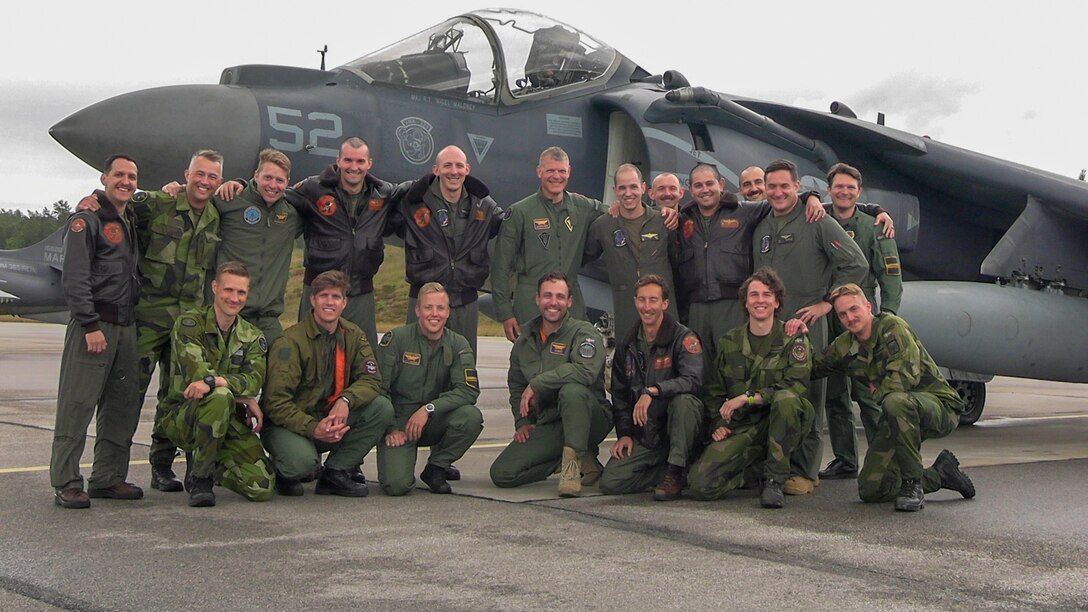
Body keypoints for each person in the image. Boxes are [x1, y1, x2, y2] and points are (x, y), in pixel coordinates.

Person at [78, 150, 224, 493]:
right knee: (126, 395)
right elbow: (117, 205)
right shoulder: (158, 203)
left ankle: (162, 466)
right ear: (186, 173)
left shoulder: (217, 215)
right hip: (147, 317)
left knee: (179, 396)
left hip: (188, 323)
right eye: (199, 174)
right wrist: (91, 200)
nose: (204, 182)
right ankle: (108, 475)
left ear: (218, 182)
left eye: (212, 177)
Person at [751, 158, 869, 496]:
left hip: (806, 322)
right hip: (771, 323)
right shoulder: (761, 224)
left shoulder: (816, 220)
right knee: (775, 393)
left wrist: (827, 303)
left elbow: (855, 262)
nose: (777, 192)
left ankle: (805, 471)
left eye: (784, 186)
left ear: (797, 187)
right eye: (771, 186)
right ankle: (776, 466)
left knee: (809, 396)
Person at [810, 283, 975, 511]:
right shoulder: (845, 345)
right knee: (872, 489)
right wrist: (795, 343)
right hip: (896, 414)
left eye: (854, 309)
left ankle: (912, 484)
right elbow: (814, 368)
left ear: (868, 307)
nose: (850, 317)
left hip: (937, 407)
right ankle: (942, 474)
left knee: (895, 401)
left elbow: (902, 379)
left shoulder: (892, 328)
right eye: (842, 314)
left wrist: (880, 392)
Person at [50, 154, 144, 509]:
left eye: (132, 176)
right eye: (119, 174)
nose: (126, 181)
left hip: (125, 326)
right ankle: (66, 481)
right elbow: (74, 278)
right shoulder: (86, 220)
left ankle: (107, 477)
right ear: (104, 178)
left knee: (120, 406)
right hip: (95, 326)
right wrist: (89, 324)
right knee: (77, 404)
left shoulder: (130, 218)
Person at [687, 268, 813, 509]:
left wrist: (748, 398)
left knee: (786, 399)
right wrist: (719, 424)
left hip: (783, 421)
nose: (760, 300)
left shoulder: (793, 339)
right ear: (745, 302)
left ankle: (774, 481)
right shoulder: (729, 342)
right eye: (754, 295)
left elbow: (797, 386)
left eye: (767, 294)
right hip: (744, 427)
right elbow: (714, 391)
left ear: (777, 302)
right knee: (700, 484)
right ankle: (752, 473)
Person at [261, 270, 392, 497]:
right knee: (301, 465)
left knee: (381, 407)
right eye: (323, 296)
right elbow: (276, 403)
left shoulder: (353, 335)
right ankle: (283, 469)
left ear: (344, 303)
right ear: (313, 300)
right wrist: (313, 428)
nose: (329, 302)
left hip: (328, 418)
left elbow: (371, 379)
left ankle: (335, 472)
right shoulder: (290, 342)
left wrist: (346, 400)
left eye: (336, 297)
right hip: (290, 425)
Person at [157, 262, 274, 507]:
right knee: (219, 396)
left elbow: (253, 381)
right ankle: (200, 478)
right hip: (183, 416)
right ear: (214, 287)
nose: (234, 298)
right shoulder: (190, 324)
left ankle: (215, 460)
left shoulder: (252, 336)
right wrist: (234, 391)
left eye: (241, 292)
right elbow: (198, 375)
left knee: (260, 487)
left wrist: (222, 382)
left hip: (227, 418)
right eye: (228, 290)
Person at [490, 272, 612, 497]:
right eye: (547, 296)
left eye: (559, 296)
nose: (553, 302)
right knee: (503, 474)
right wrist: (523, 422)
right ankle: (571, 458)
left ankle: (572, 468)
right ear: (537, 299)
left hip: (590, 417)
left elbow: (585, 372)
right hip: (551, 421)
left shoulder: (583, 333)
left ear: (569, 301)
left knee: (572, 390)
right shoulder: (525, 338)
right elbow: (516, 385)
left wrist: (538, 384)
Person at [818, 163, 904, 481]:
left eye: (850, 188)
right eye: (838, 187)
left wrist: (889, 317)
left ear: (859, 191)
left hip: (860, 315)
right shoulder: (817, 220)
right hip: (826, 313)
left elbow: (891, 277)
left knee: (869, 392)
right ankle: (845, 459)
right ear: (829, 190)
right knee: (834, 392)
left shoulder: (875, 225)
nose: (844, 192)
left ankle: (883, 459)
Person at [288, 137, 410, 346]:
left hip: (360, 293)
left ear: (369, 164)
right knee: (309, 353)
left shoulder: (383, 193)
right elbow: (274, 193)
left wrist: (444, 175)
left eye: (360, 161)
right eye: (348, 161)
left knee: (362, 356)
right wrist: (243, 184)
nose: (354, 167)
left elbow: (414, 189)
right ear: (338, 161)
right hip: (318, 290)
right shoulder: (313, 188)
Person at [599, 274, 704, 501]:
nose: (647, 307)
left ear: (665, 304)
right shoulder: (627, 345)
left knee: (684, 402)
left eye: (653, 300)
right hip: (648, 436)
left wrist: (654, 390)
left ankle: (676, 468)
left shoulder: (683, 338)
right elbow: (620, 395)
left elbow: (693, 379)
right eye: (642, 300)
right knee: (611, 482)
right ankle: (672, 471)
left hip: (677, 431)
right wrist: (625, 434)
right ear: (635, 302)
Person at [390, 145, 504, 355]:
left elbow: (511, 226)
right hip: (424, 300)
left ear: (467, 169)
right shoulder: (414, 199)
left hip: (464, 303)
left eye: (459, 166)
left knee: (462, 365)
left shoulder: (484, 205)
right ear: (436, 170)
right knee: (415, 367)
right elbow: (374, 195)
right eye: (447, 166)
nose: (454, 171)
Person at [490, 146, 611, 342]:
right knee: (532, 365)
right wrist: (505, 313)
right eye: (550, 170)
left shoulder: (582, 207)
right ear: (539, 172)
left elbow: (619, 212)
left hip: (571, 304)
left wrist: (659, 213)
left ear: (569, 172)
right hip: (531, 304)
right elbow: (501, 268)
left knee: (578, 361)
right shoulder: (520, 213)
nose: (557, 176)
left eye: (562, 171)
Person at [374, 283, 483, 495]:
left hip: (433, 419)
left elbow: (469, 390)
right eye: (428, 308)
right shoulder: (396, 340)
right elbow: (378, 389)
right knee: (396, 486)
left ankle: (436, 467)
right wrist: (391, 428)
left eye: (441, 308)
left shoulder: (458, 344)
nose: (435, 314)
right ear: (417, 311)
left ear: (448, 312)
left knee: (470, 416)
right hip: (400, 421)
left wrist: (429, 409)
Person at [207, 148, 303, 342]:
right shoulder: (229, 199)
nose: (273, 185)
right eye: (267, 177)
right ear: (256, 175)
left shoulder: (292, 213)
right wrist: (176, 188)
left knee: (278, 369)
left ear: (287, 183)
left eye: (280, 180)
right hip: (229, 313)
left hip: (267, 319)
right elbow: (197, 196)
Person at [583, 164, 677, 339]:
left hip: (664, 312)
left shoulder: (663, 222)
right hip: (627, 310)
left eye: (633, 186)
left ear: (642, 188)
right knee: (629, 359)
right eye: (622, 188)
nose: (628, 193)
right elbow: (583, 257)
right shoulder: (604, 226)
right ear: (615, 191)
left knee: (667, 359)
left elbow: (680, 261)